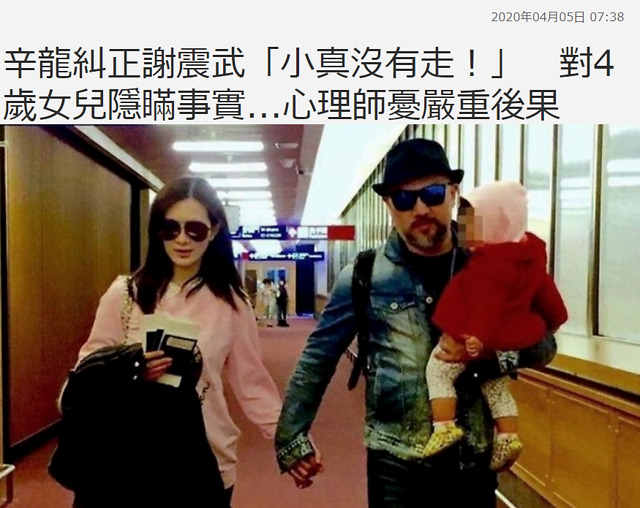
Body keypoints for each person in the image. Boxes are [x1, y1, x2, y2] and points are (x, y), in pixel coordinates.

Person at [274, 139, 557, 508]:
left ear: (453, 193)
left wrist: (488, 352)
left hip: (472, 463)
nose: (420, 208)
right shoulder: (364, 274)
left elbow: (545, 346)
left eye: (433, 193)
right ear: (389, 205)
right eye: (404, 199)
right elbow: (317, 358)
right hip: (396, 465)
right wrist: (291, 437)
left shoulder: (495, 264)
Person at [75, 176, 282, 507]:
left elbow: (252, 383)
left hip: (205, 461)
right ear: (157, 231)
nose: (182, 239)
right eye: (170, 228)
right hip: (128, 459)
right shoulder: (125, 295)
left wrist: (290, 439)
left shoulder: (232, 304)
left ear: (213, 230)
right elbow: (86, 372)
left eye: (195, 229)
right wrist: (130, 369)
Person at [422, 180, 568, 472]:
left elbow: (485, 306)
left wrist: (479, 342)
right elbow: (551, 301)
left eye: (470, 222)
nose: (463, 228)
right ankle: (508, 436)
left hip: (472, 339)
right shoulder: (529, 259)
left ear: (495, 222)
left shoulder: (488, 263)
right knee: (496, 386)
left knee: (437, 371)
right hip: (502, 340)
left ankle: (444, 426)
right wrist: (553, 321)